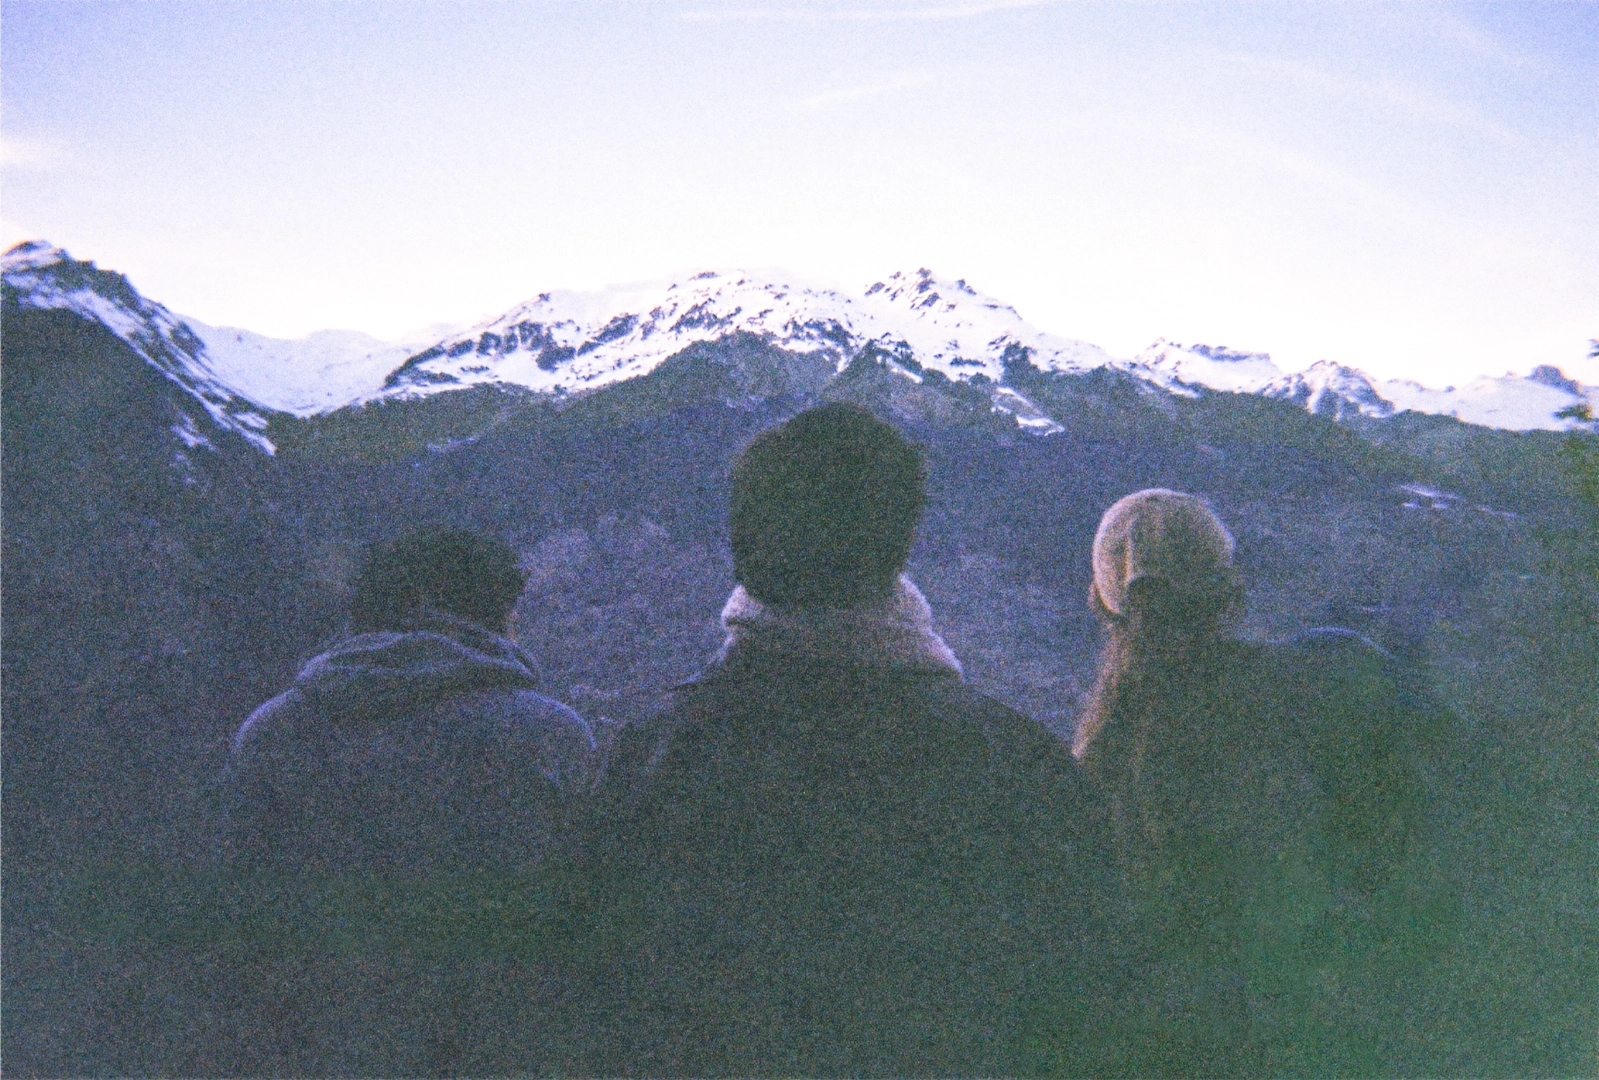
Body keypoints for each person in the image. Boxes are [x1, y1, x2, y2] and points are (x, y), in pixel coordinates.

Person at [583, 403, 1094, 1075]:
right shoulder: (1016, 766)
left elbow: (591, 1006)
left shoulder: (648, 761)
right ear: (900, 543)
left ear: (744, 548)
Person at [1069, 488, 1450, 1079]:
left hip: (1173, 1044)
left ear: (1103, 601)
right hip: (1322, 1028)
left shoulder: (1096, 762)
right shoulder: (1323, 686)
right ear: (1228, 586)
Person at [220, 526, 597, 1074]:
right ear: (496, 617)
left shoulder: (271, 733)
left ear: (363, 615)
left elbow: (235, 930)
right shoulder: (551, 737)